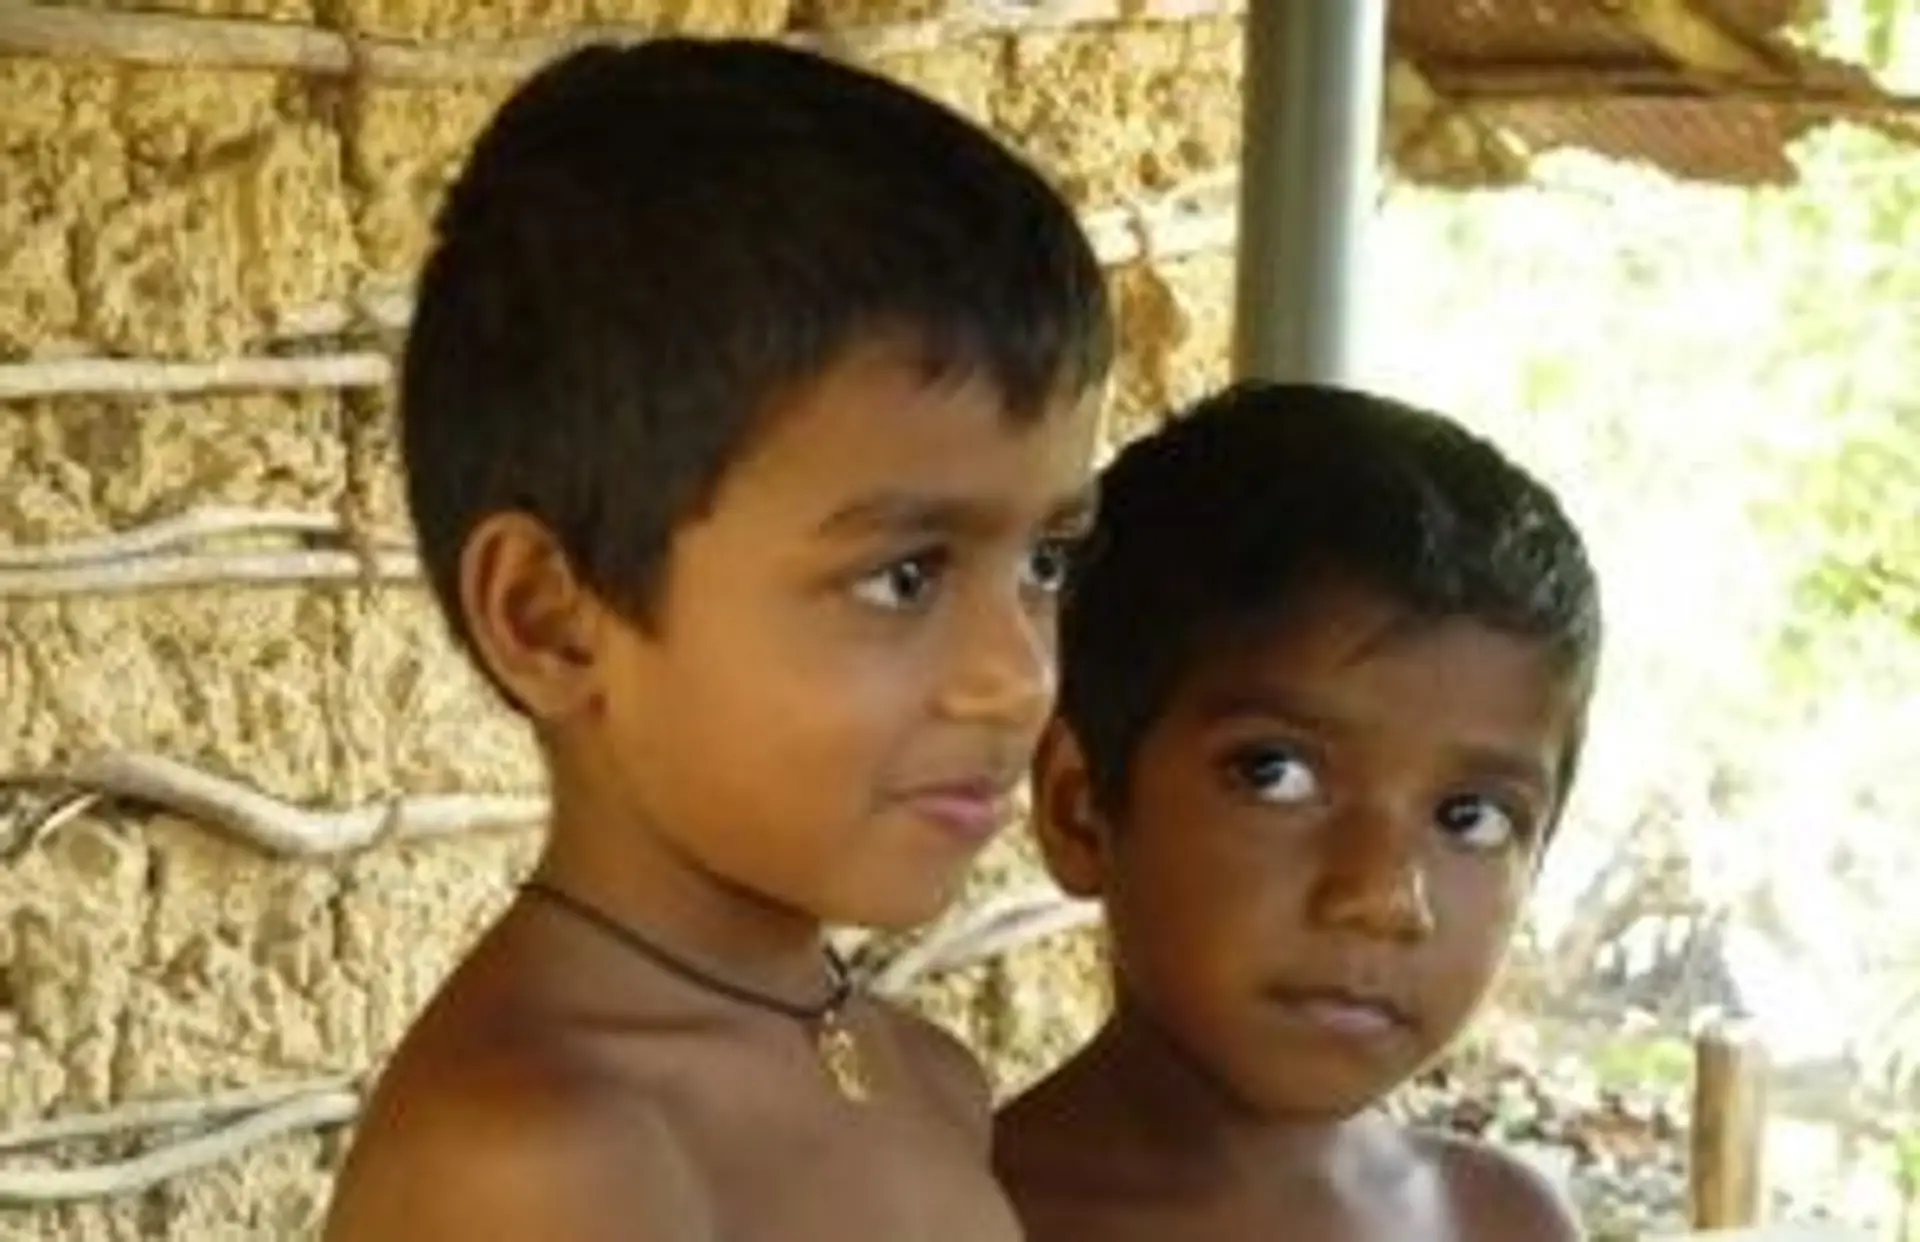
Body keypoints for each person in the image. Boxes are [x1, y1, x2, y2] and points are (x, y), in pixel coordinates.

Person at [322, 36, 1111, 1242]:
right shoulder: (544, 1169)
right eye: (905, 577)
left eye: (1045, 563)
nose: (1018, 677)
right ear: (550, 618)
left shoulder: (920, 1078)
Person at [994, 382, 1603, 1242]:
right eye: (1274, 774)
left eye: (1471, 818)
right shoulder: (946, 1218)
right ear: (1080, 808)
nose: (1386, 895)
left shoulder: (1502, 1224)